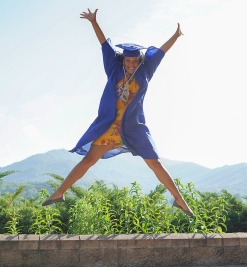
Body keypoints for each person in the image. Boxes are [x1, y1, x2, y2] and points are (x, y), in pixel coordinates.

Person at [42, 8, 194, 217]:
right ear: (122, 61)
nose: (131, 64)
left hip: (134, 127)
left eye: (135, 61)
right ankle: (59, 193)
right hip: (111, 125)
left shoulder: (145, 71)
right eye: (128, 61)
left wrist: (175, 36)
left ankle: (180, 200)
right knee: (88, 160)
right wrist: (94, 22)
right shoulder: (114, 70)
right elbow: (105, 45)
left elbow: (160, 52)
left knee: (154, 162)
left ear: (139, 62)